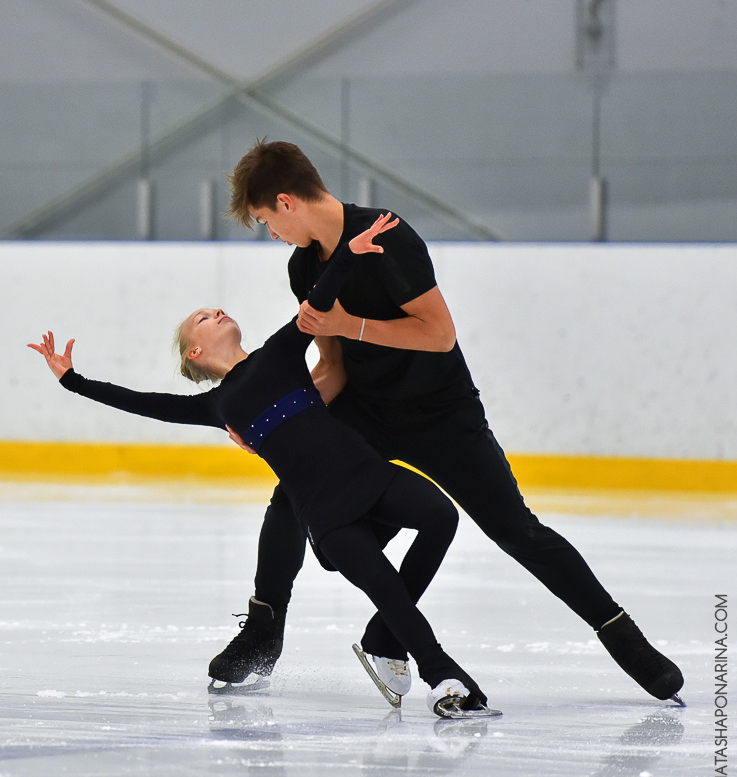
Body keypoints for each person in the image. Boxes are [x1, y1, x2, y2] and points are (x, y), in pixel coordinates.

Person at [213, 138, 684, 706]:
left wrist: (353, 323)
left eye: (266, 221)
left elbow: (438, 334)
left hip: (441, 412)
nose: (272, 234)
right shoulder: (303, 266)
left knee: (515, 529)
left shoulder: (388, 236)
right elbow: (332, 367)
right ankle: (264, 630)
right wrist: (274, 421)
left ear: (287, 202)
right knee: (290, 492)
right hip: (364, 409)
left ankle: (625, 640)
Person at [28, 214, 501, 719]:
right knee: (385, 585)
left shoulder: (278, 354)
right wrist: (73, 380)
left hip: (370, 473)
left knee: (442, 517)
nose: (217, 311)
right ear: (197, 350)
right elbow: (144, 402)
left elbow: (317, 304)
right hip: (326, 512)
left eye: (215, 308)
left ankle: (384, 635)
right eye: (204, 318)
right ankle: (443, 677)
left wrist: (352, 251)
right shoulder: (217, 406)